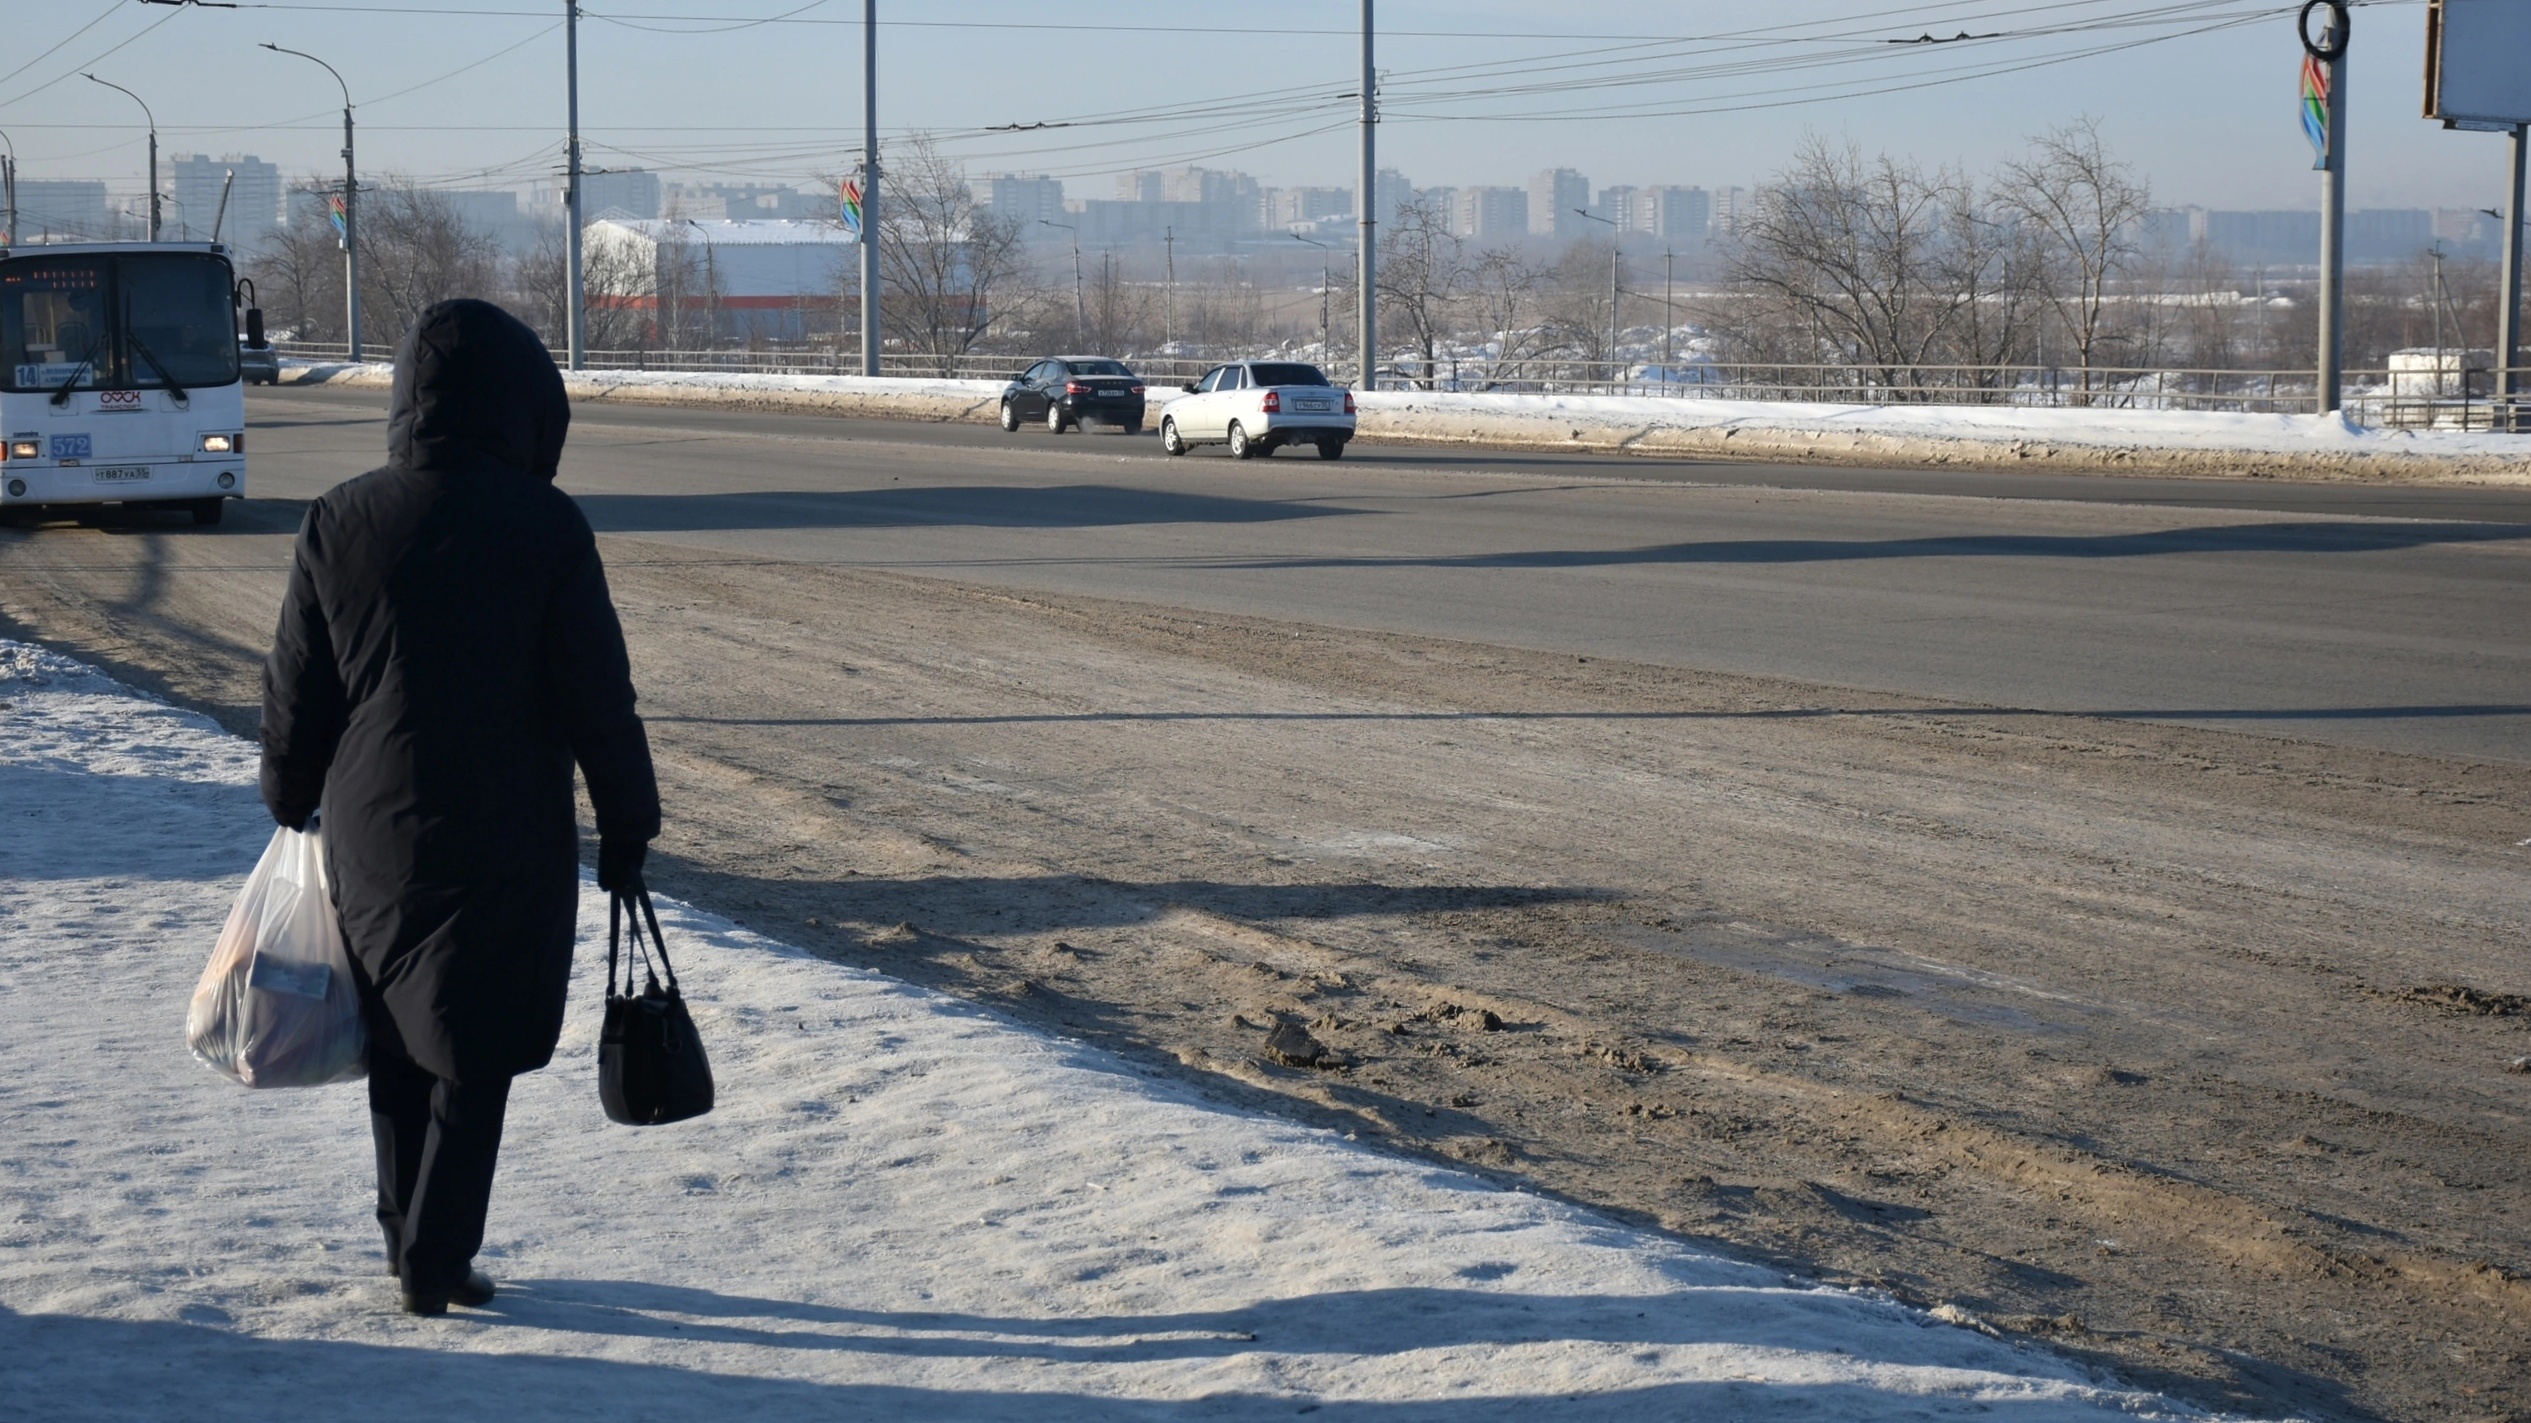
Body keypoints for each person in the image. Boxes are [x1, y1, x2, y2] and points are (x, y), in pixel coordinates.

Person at [259, 299, 659, 1316]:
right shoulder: (546, 526)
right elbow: (594, 696)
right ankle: (436, 1257)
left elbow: (298, 685)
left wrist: (289, 793)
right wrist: (626, 823)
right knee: (474, 1044)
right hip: (504, 824)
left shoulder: (341, 517)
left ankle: (408, 1234)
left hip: (368, 826)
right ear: (524, 409)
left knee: (396, 1033)